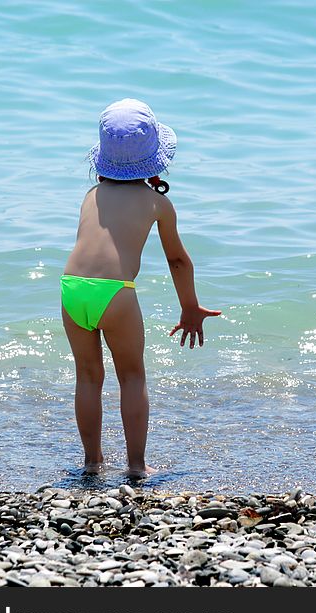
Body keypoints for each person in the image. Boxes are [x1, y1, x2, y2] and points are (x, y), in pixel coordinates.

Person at [61, 98, 220, 478]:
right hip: (116, 293)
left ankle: (92, 462)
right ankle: (135, 466)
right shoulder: (157, 203)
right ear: (154, 159)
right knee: (132, 376)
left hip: (71, 289)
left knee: (87, 376)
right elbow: (178, 260)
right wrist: (190, 308)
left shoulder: (90, 197)